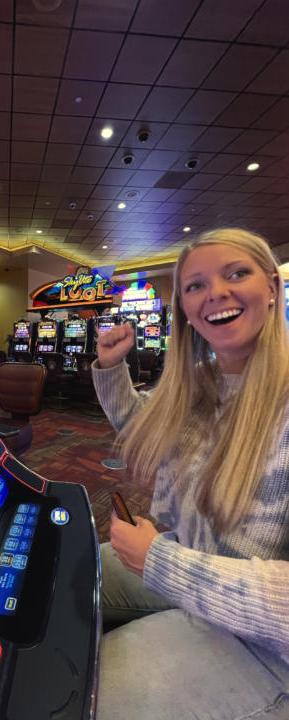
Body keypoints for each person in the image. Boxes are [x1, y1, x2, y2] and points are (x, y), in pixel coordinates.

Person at [92, 228, 289, 720]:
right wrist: (112, 367)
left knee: (82, 699)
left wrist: (161, 562)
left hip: (266, 646)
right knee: (59, 575)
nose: (215, 293)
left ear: (271, 287)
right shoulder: (204, 383)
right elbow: (146, 431)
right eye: (195, 285)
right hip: (189, 562)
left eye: (236, 274)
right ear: (182, 306)